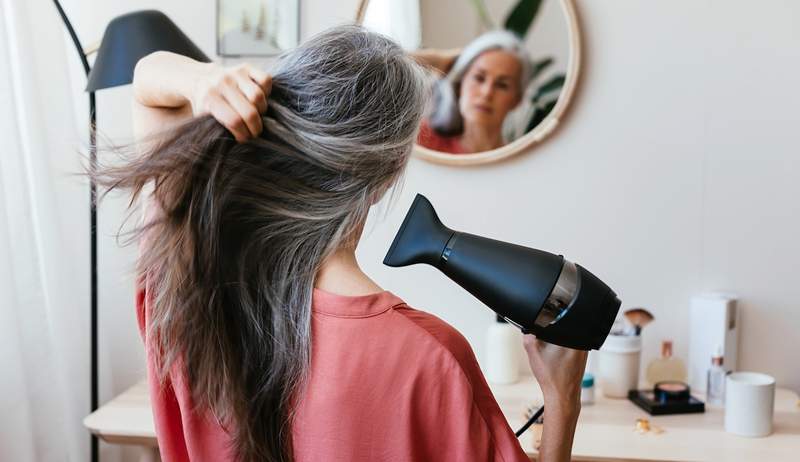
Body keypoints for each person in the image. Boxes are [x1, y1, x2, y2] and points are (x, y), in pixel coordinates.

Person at [93, 25, 586, 462]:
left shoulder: (188, 285)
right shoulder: (428, 358)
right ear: (388, 175)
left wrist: (203, 82)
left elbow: (149, 88)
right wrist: (562, 400)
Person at [416, 30, 533, 154]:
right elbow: (393, 66)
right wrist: (441, 60)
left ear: (517, 99)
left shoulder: (520, 161)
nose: (486, 92)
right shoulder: (424, 138)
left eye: (502, 85)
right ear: (460, 84)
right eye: (479, 78)